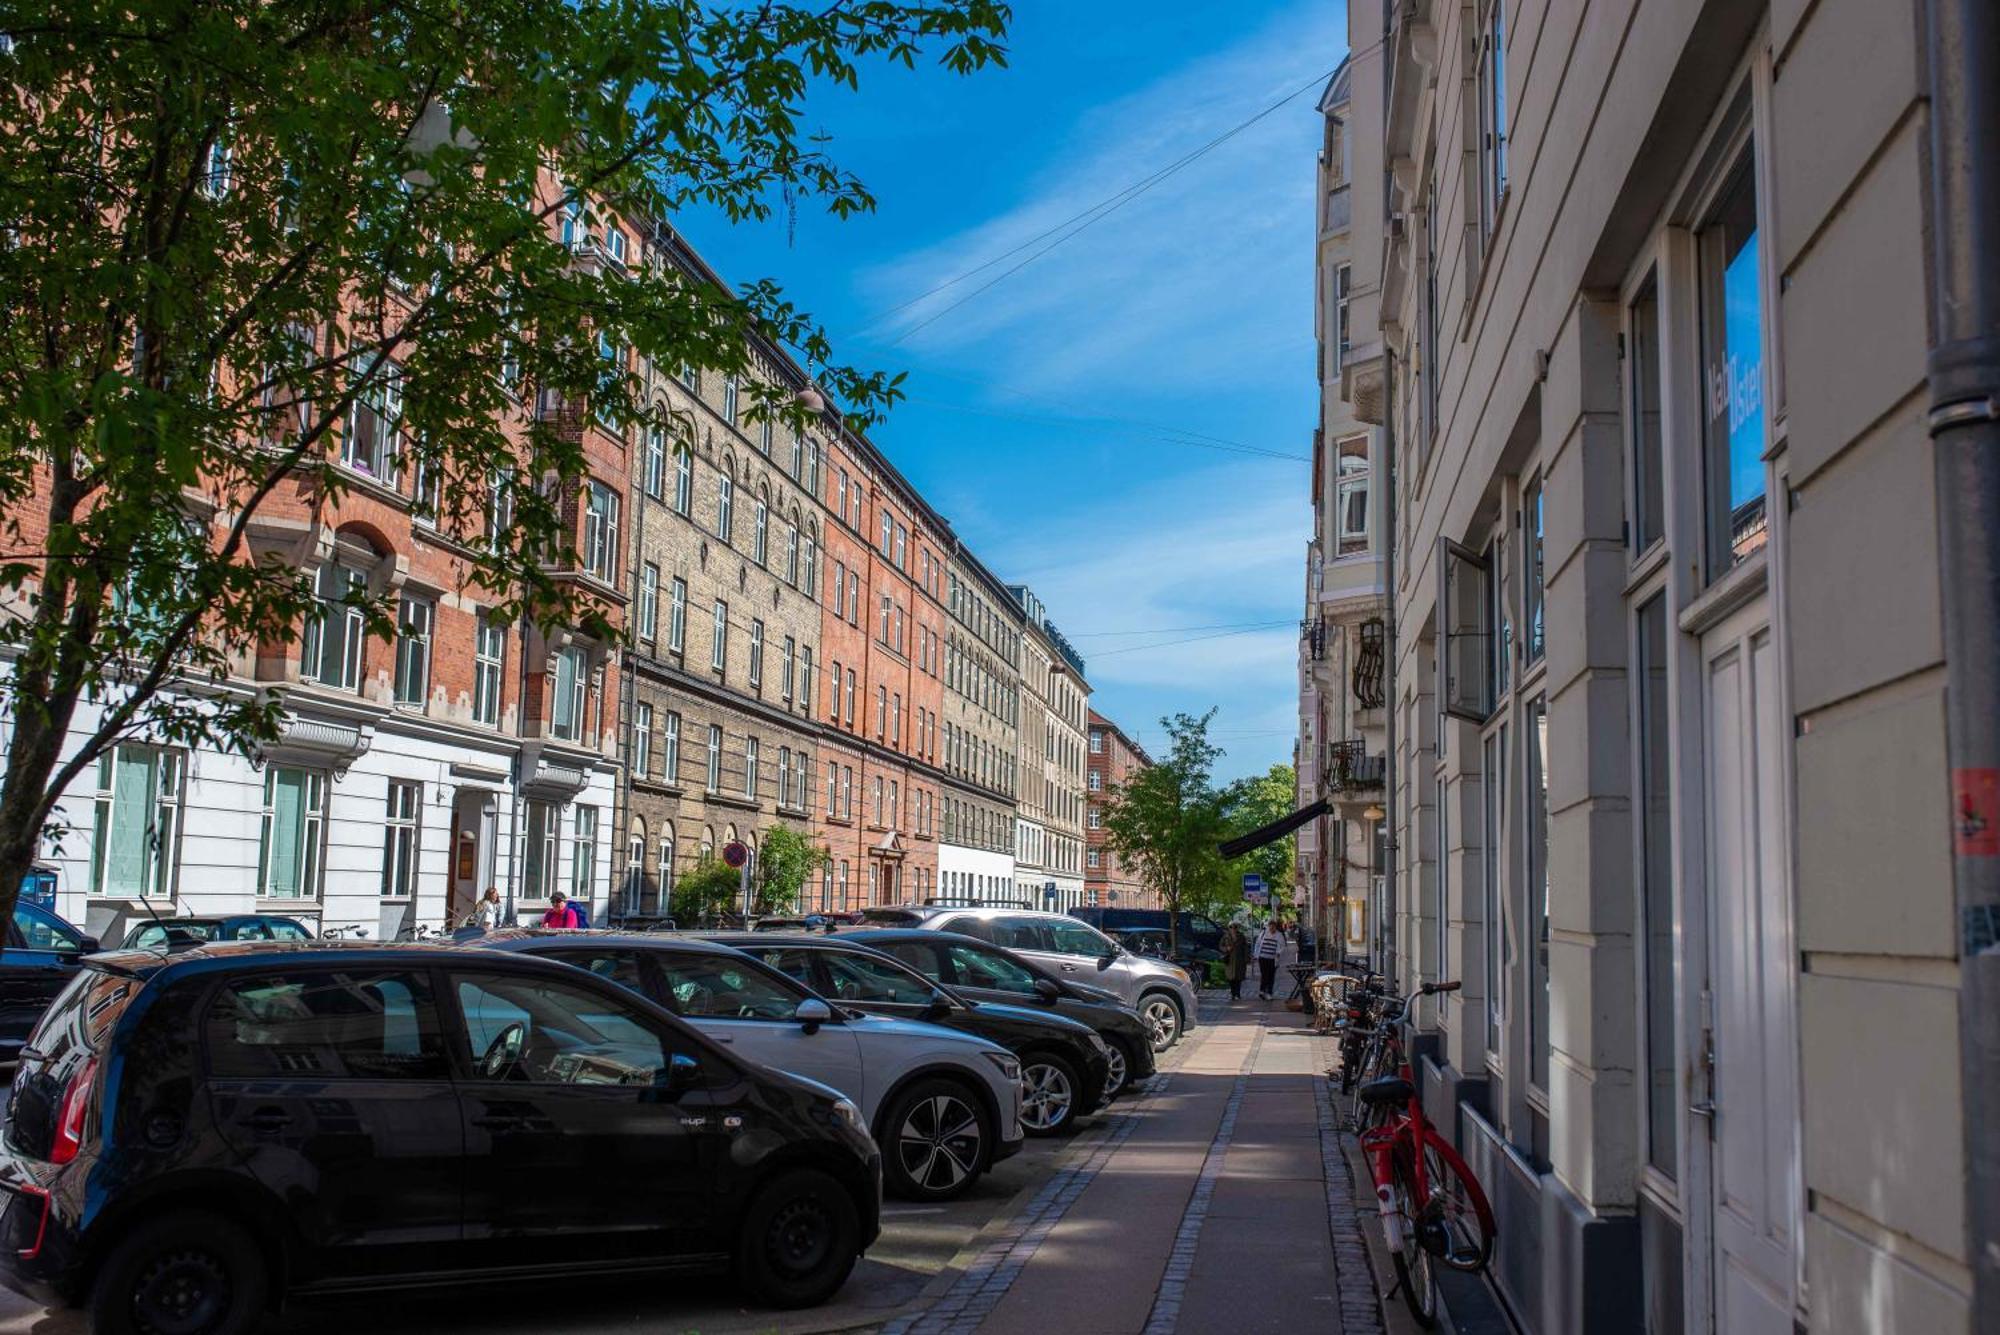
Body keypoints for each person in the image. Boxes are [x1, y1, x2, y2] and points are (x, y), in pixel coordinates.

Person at [1254, 918, 1286, 1001]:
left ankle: (1269, 993)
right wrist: (1256, 955)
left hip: (1272, 959)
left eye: (1273, 927)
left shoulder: (1279, 935)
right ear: (1268, 926)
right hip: (1262, 957)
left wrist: (1278, 952)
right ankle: (1262, 991)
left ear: (1275, 927)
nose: (1272, 929)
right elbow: (1257, 943)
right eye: (1270, 927)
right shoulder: (1264, 933)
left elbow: (1283, 946)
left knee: (1271, 976)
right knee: (1264, 975)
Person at [1221, 923, 1249, 1001]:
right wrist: (1226, 948)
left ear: (1237, 928)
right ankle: (1233, 993)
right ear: (1229, 928)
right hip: (1229, 960)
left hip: (1239, 960)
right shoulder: (1226, 936)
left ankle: (1237, 994)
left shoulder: (1241, 936)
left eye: (1235, 927)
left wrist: (1246, 958)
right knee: (1230, 978)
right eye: (1231, 927)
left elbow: (1245, 947)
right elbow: (1220, 945)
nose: (1233, 929)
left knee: (1238, 978)